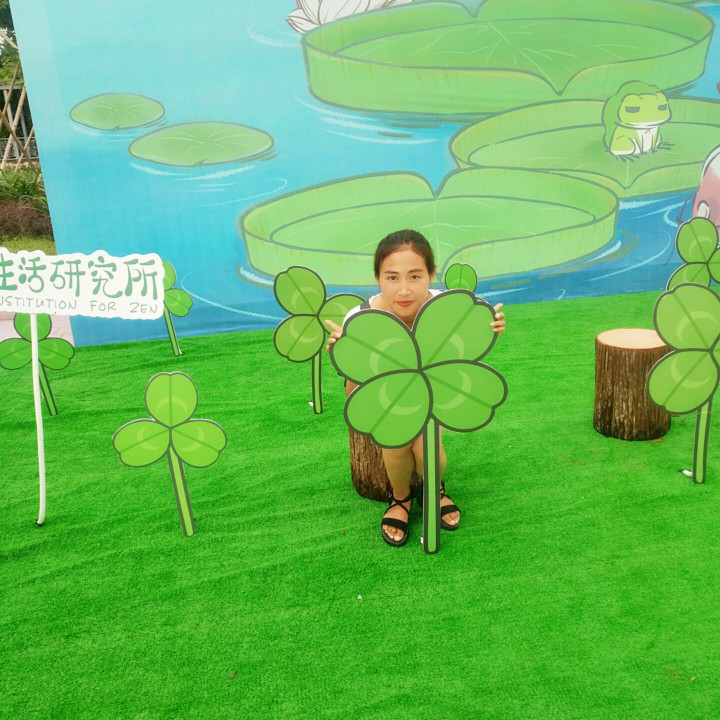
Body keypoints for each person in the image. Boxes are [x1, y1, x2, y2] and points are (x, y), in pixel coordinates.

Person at [325, 229, 506, 547]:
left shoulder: (445, 308)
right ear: (377, 278)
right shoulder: (362, 318)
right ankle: (401, 498)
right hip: (386, 395)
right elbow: (355, 386)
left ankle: (435, 488)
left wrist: (489, 327)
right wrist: (343, 353)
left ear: (431, 274)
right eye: (392, 277)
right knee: (396, 448)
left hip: (433, 391)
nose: (404, 289)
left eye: (415, 276)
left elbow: (468, 340)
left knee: (428, 450)